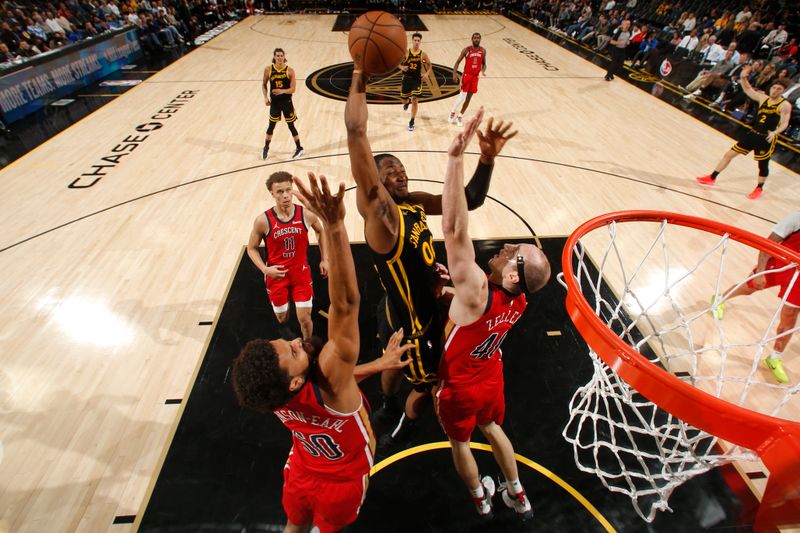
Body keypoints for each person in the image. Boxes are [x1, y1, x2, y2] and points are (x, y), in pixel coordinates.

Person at [233, 172, 413, 533]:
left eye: (285, 341)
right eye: (292, 350)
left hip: (301, 469)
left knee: (293, 526)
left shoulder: (271, 393)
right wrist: (336, 226)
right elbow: (346, 304)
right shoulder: (329, 374)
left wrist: (378, 364)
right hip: (342, 482)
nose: (296, 341)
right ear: (297, 379)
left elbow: (333, 391)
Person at [345, 59, 509, 448]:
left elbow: (469, 199)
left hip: (408, 303)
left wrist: (486, 158)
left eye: (401, 167)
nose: (400, 173)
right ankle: (399, 414)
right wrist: (359, 74)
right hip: (414, 319)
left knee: (391, 356)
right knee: (421, 380)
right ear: (377, 184)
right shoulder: (383, 217)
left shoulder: (414, 203)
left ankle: (386, 403)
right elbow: (356, 131)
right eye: (389, 171)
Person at [437, 108, 551, 520]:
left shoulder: (479, 290)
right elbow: (477, 313)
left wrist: (456, 157)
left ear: (516, 277)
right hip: (491, 377)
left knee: (461, 444)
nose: (503, 250)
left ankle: (479, 498)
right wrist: (452, 288)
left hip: (461, 384)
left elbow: (453, 229)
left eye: (512, 255)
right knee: (492, 429)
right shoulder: (518, 302)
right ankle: (517, 493)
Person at [712, 211, 800, 384]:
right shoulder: (797, 218)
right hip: (780, 264)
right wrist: (760, 272)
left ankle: (775, 357)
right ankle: (719, 299)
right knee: (748, 288)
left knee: (790, 317)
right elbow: (767, 244)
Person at [247, 171, 328, 341]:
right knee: (282, 318)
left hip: (301, 272)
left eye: (288, 190)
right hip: (276, 276)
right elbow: (252, 248)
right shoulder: (263, 220)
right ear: (272, 194)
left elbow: (321, 231)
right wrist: (265, 269)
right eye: (280, 192)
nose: (285, 195)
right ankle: (288, 305)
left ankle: (307, 346)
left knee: (305, 319)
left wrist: (325, 259)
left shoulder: (305, 214)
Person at [696, 68, 791, 199]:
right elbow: (748, 90)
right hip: (753, 134)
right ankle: (712, 177)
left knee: (762, 165)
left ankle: (759, 188)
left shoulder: (784, 105)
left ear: (783, 91)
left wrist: (776, 132)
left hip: (766, 138)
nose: (775, 90)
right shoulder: (764, 98)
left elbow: (785, 123)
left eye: (778, 89)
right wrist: (743, 77)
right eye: (774, 88)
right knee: (729, 154)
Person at [262, 48, 304, 161]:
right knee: (271, 126)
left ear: (284, 57)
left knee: (291, 125)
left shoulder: (290, 71)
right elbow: (264, 85)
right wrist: (265, 97)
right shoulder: (268, 69)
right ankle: (266, 147)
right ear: (274, 57)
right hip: (274, 102)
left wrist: (282, 91)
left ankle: (299, 148)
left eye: (281, 55)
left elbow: (293, 89)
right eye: (277, 55)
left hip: (286, 102)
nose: (279, 58)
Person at [449, 33, 487, 127]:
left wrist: (483, 71)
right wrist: (454, 74)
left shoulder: (483, 51)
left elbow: (484, 64)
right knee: (462, 97)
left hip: (475, 77)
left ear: (480, 39)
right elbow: (457, 62)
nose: (476, 39)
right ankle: (452, 112)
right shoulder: (467, 50)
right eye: (475, 38)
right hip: (467, 75)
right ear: (472, 39)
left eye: (478, 38)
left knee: (468, 98)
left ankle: (460, 116)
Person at [400, 32, 431, 133]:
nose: (417, 42)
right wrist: (401, 67)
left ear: (420, 42)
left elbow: (429, 65)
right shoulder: (406, 52)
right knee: (404, 101)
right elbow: (395, 61)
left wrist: (426, 74)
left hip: (417, 79)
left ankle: (412, 121)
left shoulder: (423, 54)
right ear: (412, 41)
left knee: (415, 99)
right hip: (407, 78)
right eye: (415, 40)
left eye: (418, 41)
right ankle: (406, 102)